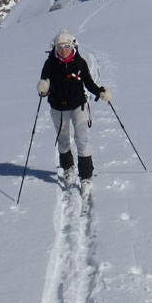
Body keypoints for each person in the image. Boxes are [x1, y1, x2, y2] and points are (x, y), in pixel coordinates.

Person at [37, 29, 110, 186]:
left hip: (78, 105)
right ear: (55, 48)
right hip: (57, 107)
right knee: (63, 139)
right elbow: (45, 82)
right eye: (60, 47)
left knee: (81, 138)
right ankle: (68, 168)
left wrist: (100, 92)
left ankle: (86, 175)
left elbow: (89, 83)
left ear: (73, 46)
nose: (64, 50)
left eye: (67, 46)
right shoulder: (50, 64)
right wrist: (43, 90)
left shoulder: (79, 63)